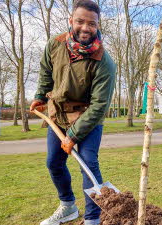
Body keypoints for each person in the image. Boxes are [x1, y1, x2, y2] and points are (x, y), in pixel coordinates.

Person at [29, 1, 116, 224]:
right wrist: (40, 96)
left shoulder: (103, 61)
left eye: (92, 23)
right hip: (58, 115)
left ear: (98, 25)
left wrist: (73, 136)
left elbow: (99, 106)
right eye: (80, 21)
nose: (85, 27)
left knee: (88, 164)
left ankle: (92, 218)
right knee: (53, 163)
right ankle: (68, 206)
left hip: (88, 117)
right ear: (71, 21)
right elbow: (46, 73)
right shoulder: (55, 44)